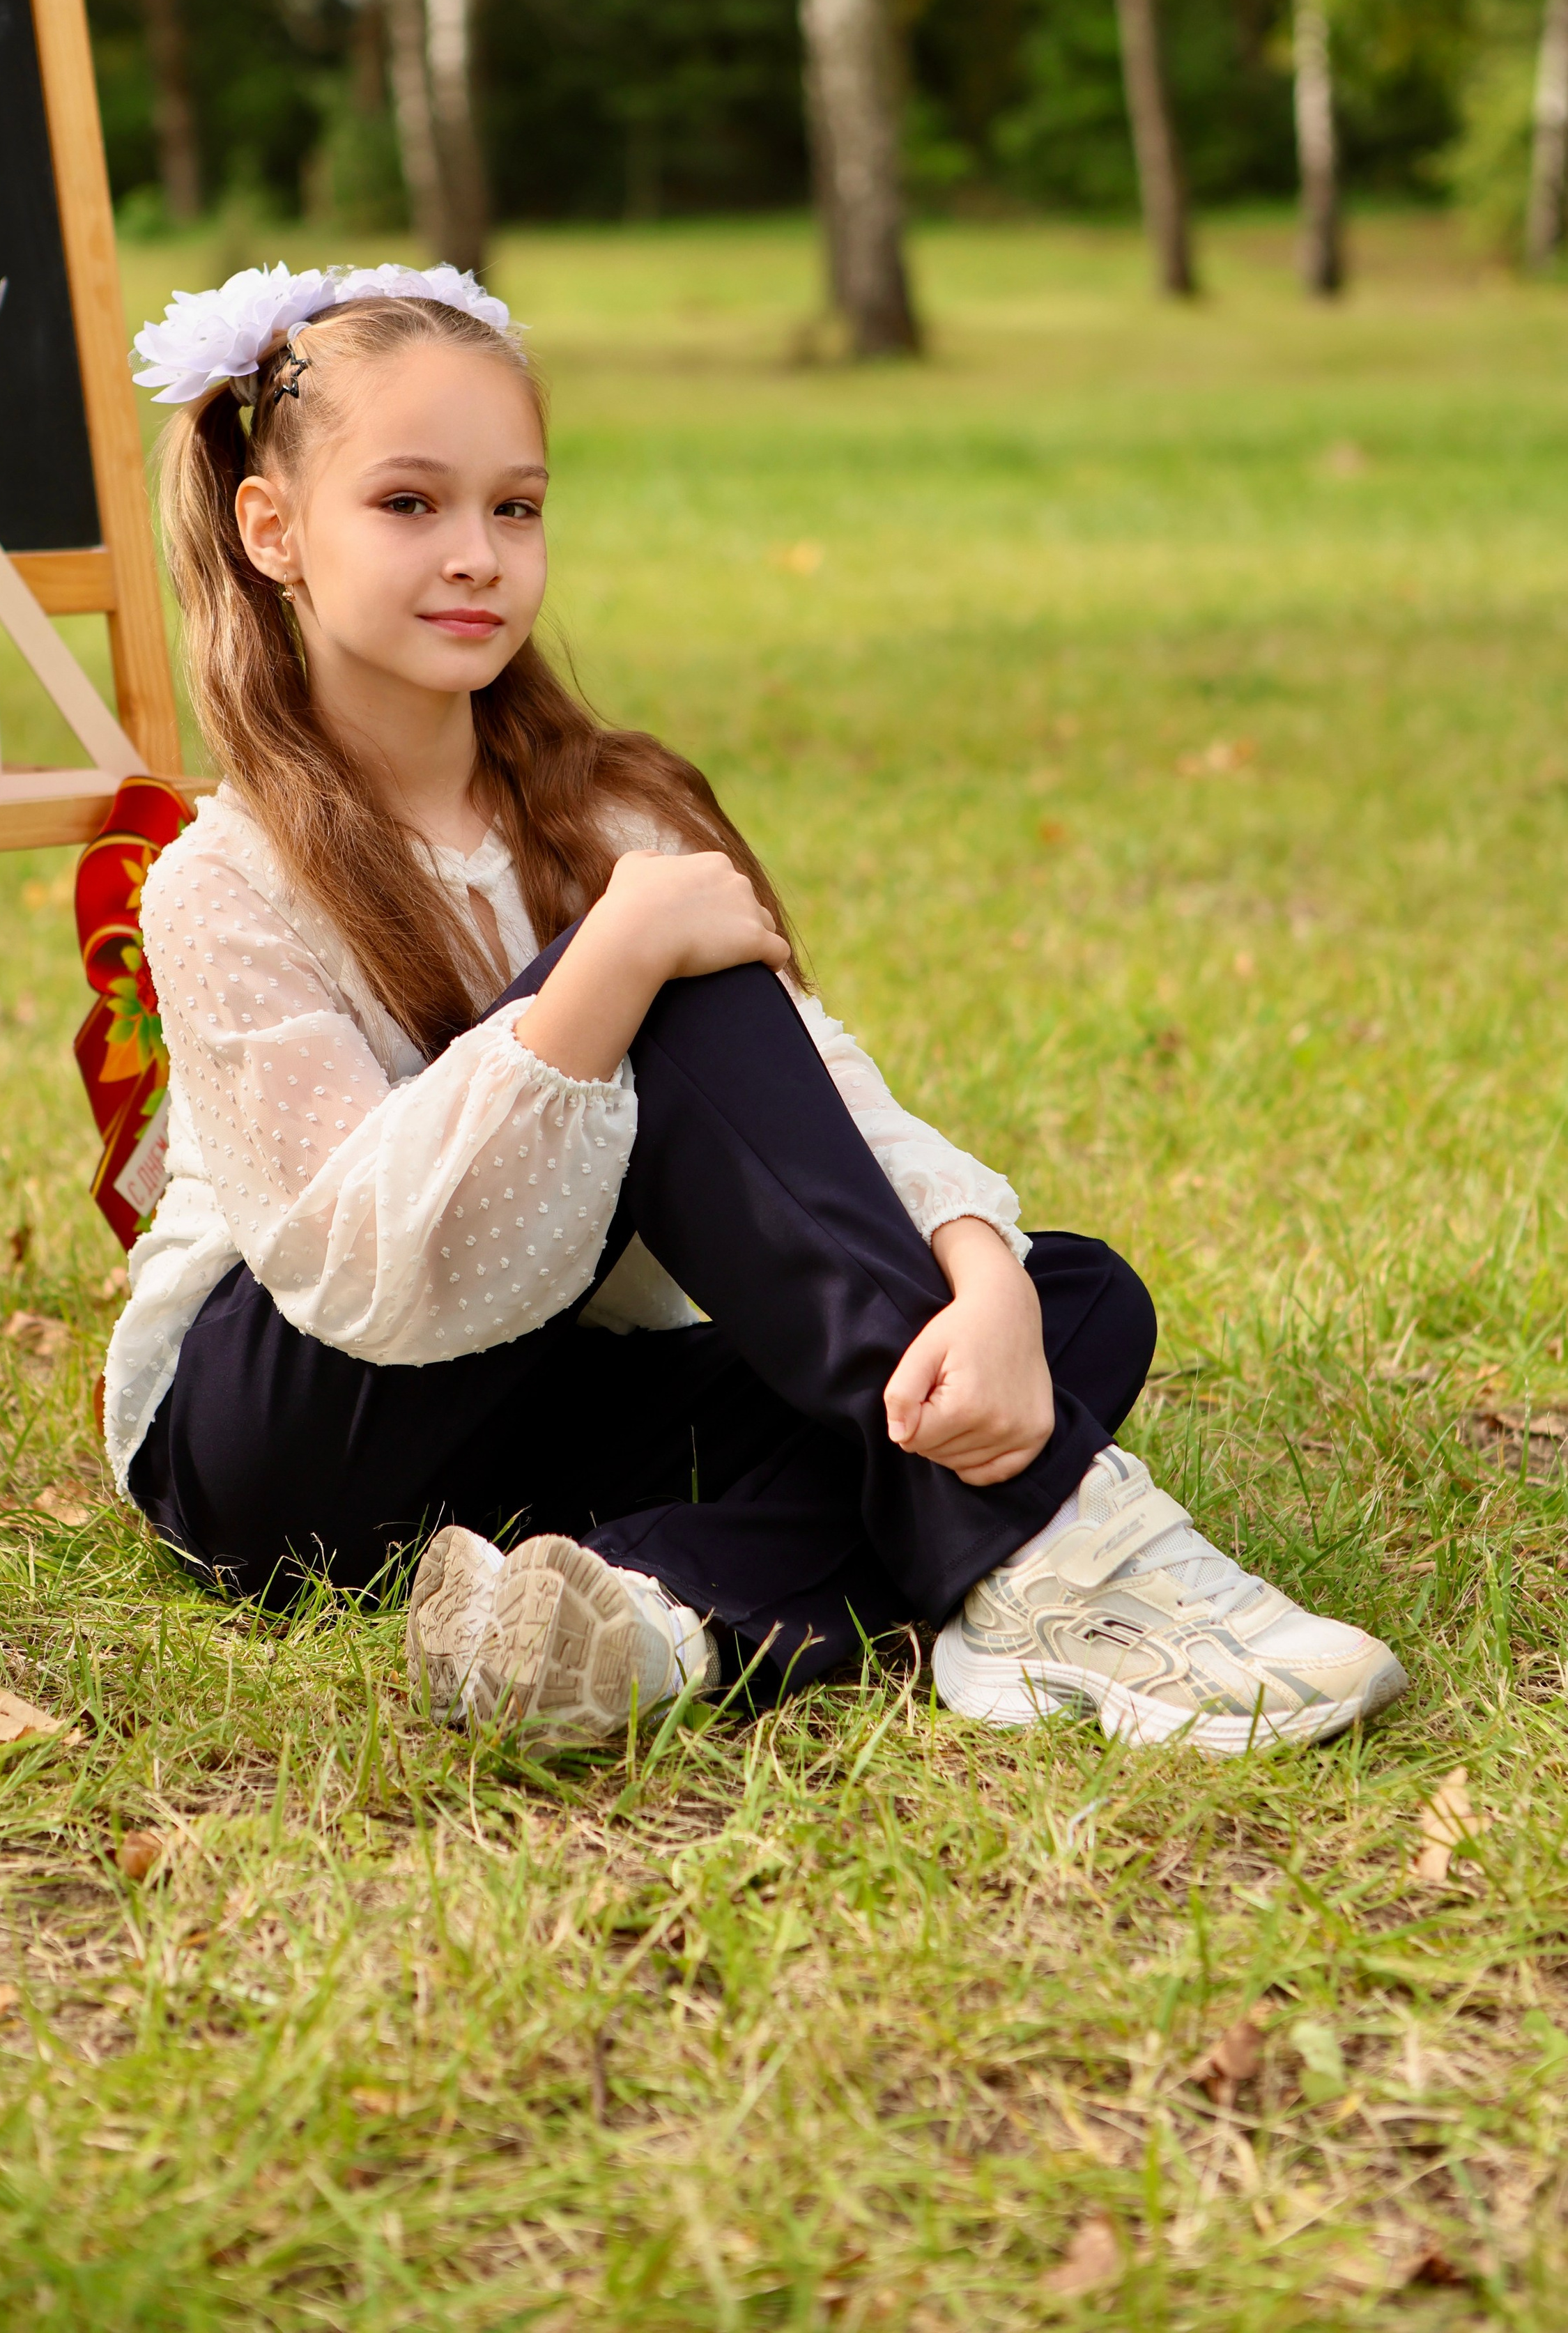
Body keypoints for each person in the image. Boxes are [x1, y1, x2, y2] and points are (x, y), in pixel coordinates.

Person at [108, 261, 1407, 1757]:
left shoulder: (606, 811)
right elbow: (356, 1271)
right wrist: (605, 968)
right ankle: (1055, 1547)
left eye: (514, 508)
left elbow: (822, 1098)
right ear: (271, 531)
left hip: (541, 1408)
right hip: (283, 1454)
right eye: (408, 505)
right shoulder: (226, 879)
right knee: (657, 992)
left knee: (1063, 1302)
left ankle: (645, 1624)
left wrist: (976, 1276)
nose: (476, 555)